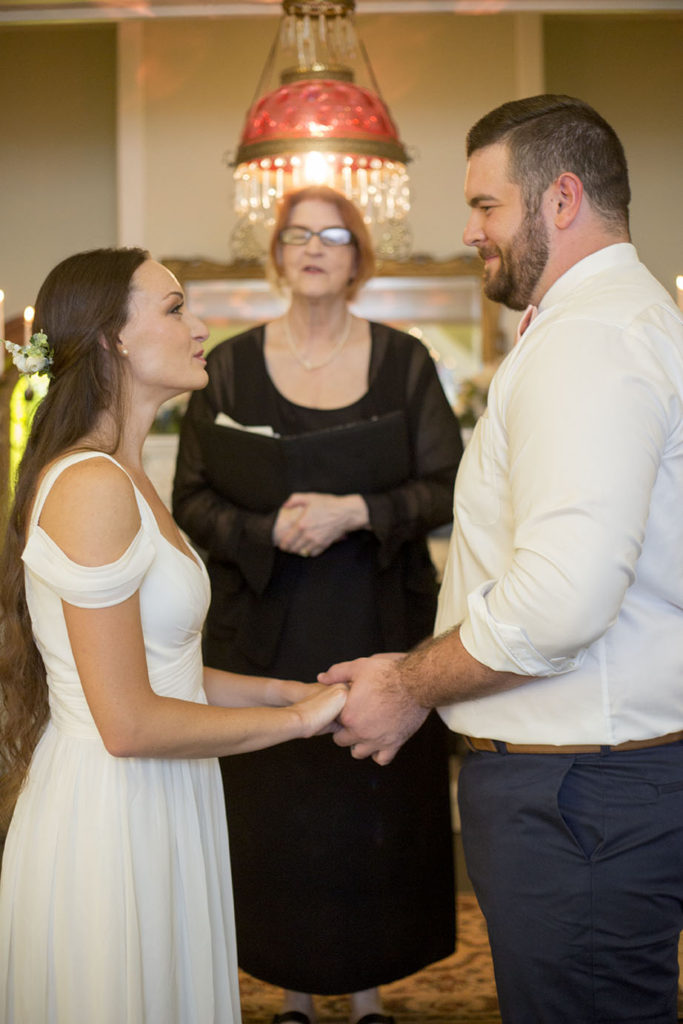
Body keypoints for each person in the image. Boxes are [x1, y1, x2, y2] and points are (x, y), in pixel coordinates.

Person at [319, 95, 683, 1023]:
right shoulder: (603, 325)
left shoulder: (590, 341)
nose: (472, 231)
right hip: (589, 779)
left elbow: (561, 599)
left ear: (560, 201)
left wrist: (409, 683)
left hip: (579, 792)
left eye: (486, 205)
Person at [0, 247, 348, 1024]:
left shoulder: (127, 476)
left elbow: (167, 671)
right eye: (174, 308)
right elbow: (126, 721)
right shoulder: (90, 485)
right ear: (112, 338)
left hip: (164, 792)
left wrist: (295, 691)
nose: (200, 327)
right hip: (112, 813)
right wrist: (297, 724)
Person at [172, 185, 461, 1024]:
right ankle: (291, 996)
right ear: (277, 253)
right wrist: (266, 526)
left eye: (333, 234)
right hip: (265, 637)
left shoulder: (404, 360)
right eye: (296, 233)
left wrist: (357, 512)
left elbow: (446, 486)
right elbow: (189, 497)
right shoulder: (223, 365)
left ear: (358, 254)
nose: (313, 246)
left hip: (380, 629)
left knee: (370, 810)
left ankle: (370, 996)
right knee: (279, 814)